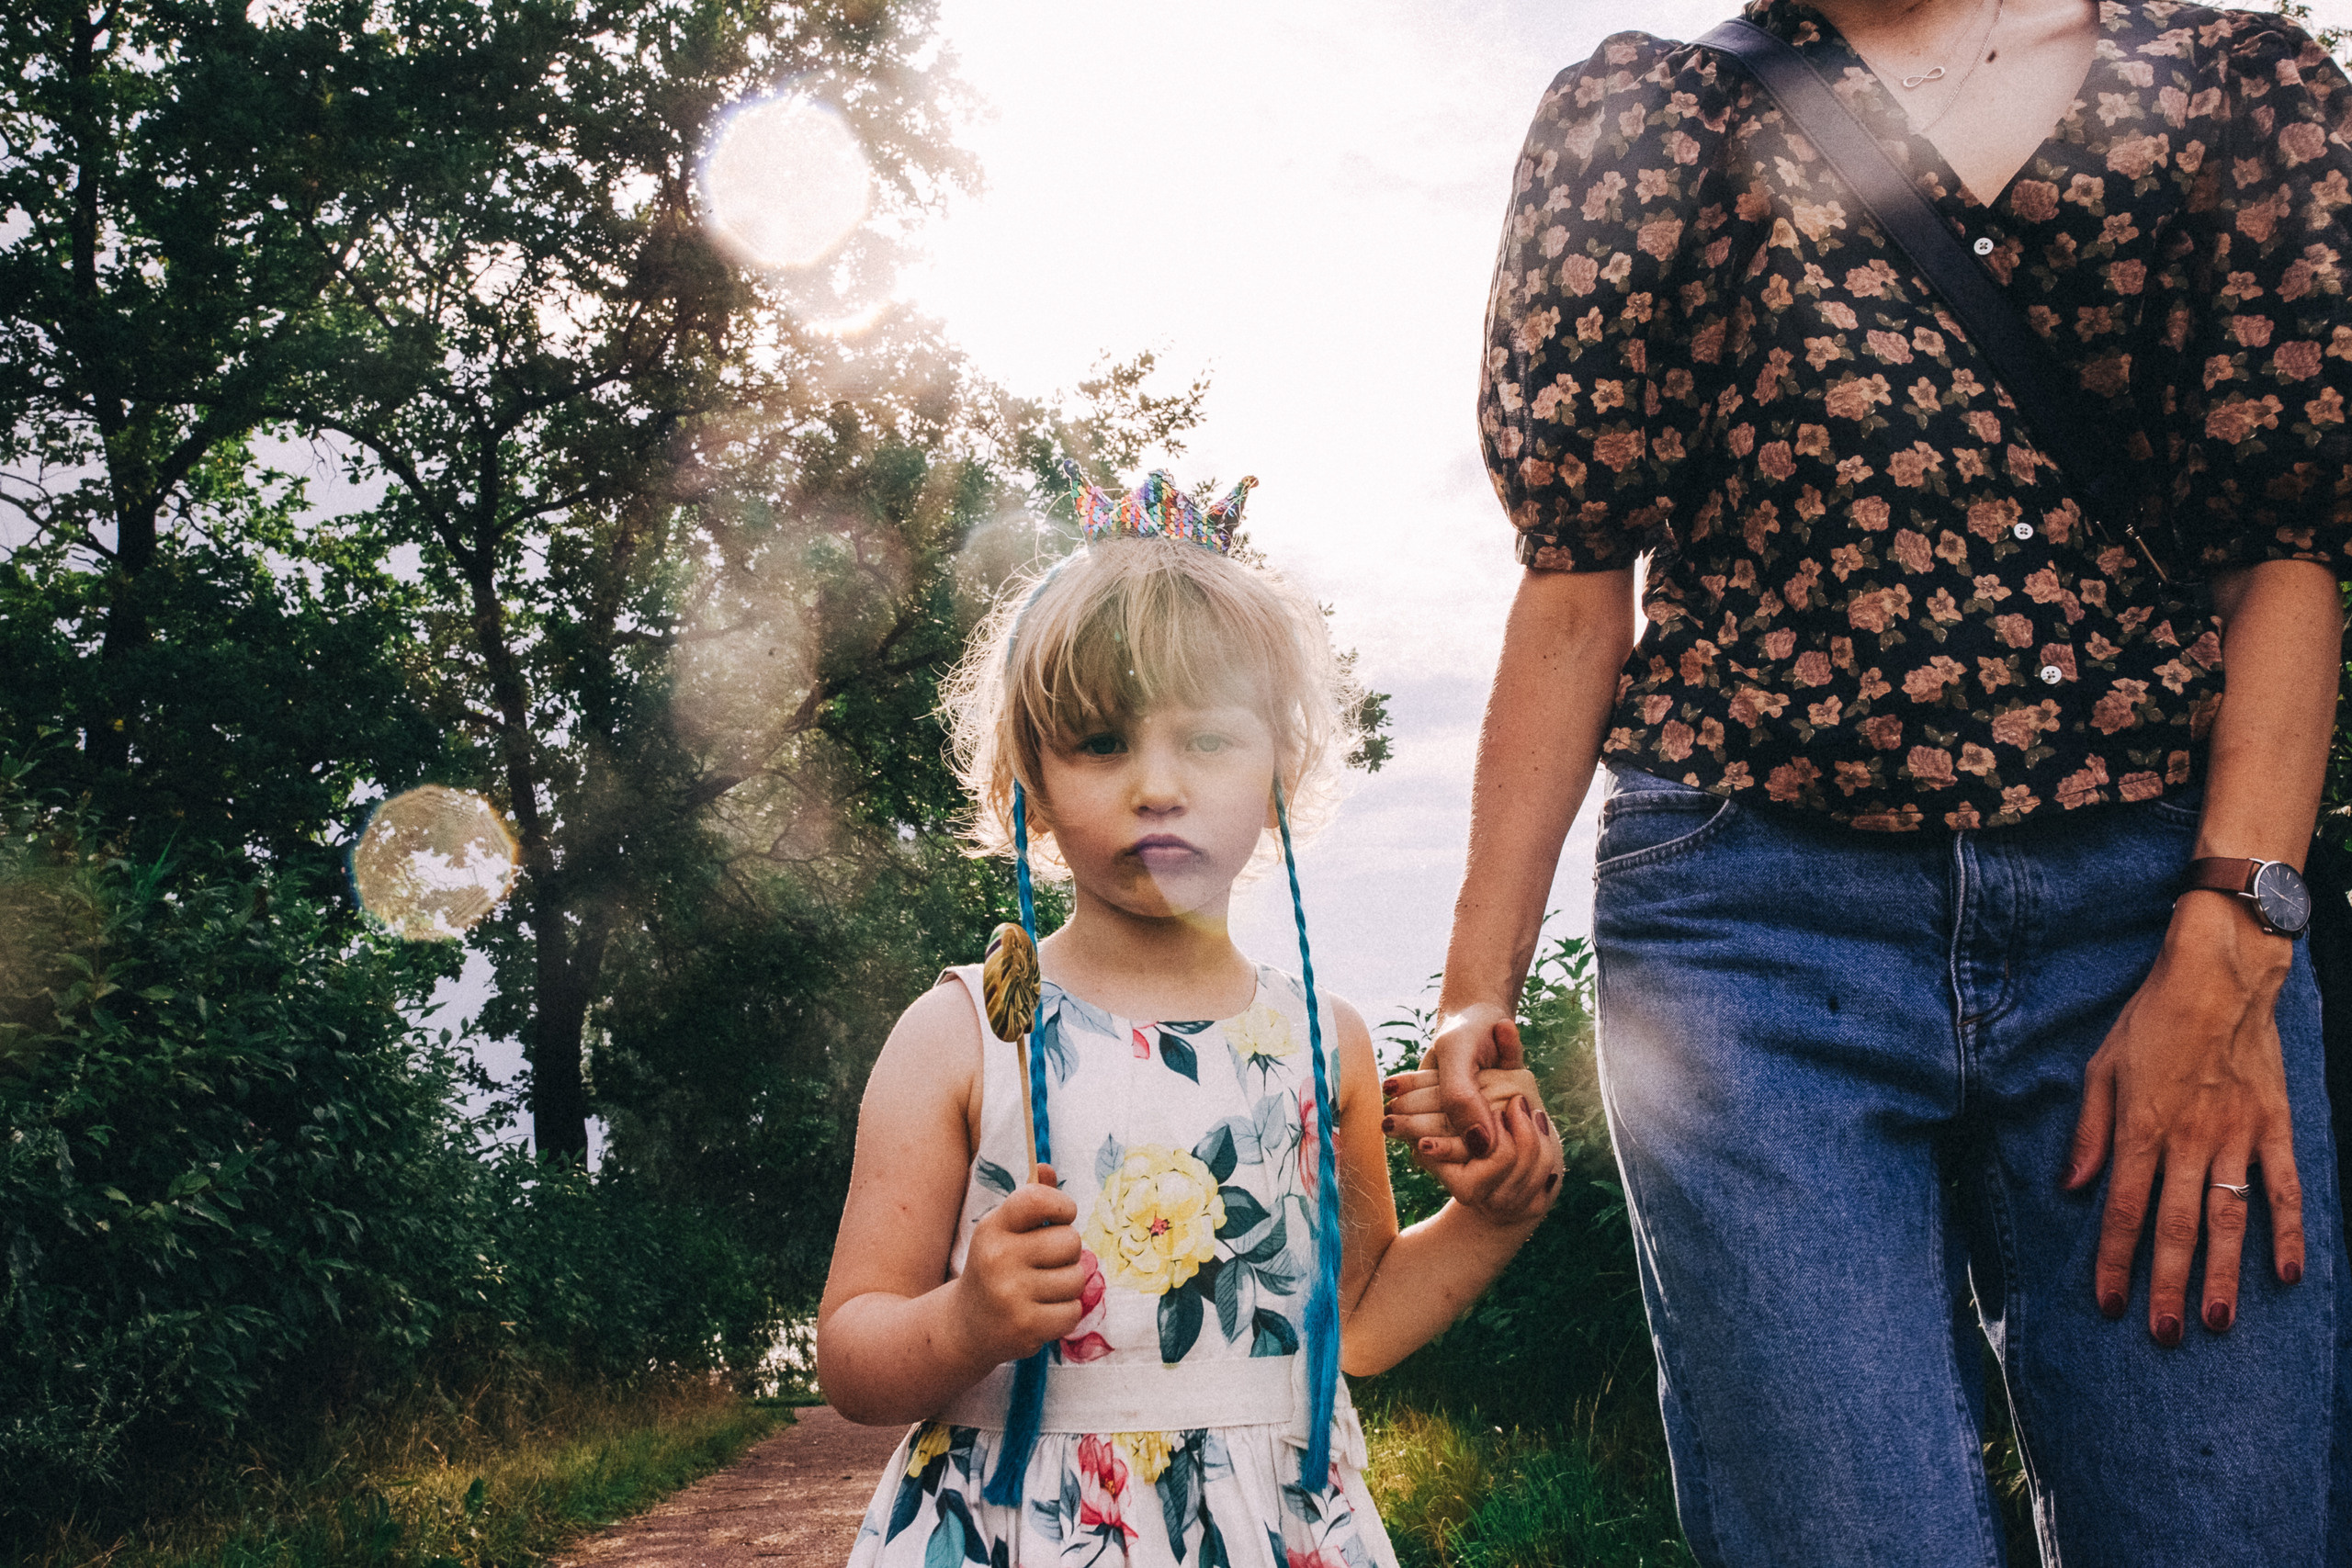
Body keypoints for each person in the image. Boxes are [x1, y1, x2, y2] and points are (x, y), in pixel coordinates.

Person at [1385, 1, 2352, 1562]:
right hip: (1753, 930)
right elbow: (1575, 580)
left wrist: (2234, 936)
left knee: (2219, 1529)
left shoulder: (2238, 90)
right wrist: (1474, 981)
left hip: (2160, 912)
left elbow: (2285, 543)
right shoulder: (1651, 122)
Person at [817, 469, 1565, 1568]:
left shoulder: (1324, 1043)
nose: (1156, 786)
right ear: (1028, 770)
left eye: (1208, 742)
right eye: (1101, 743)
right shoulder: (964, 1033)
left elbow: (1351, 1325)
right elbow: (850, 1352)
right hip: (1020, 1530)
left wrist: (1494, 1219)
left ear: (1278, 766)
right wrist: (962, 1322)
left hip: (1274, 1530)